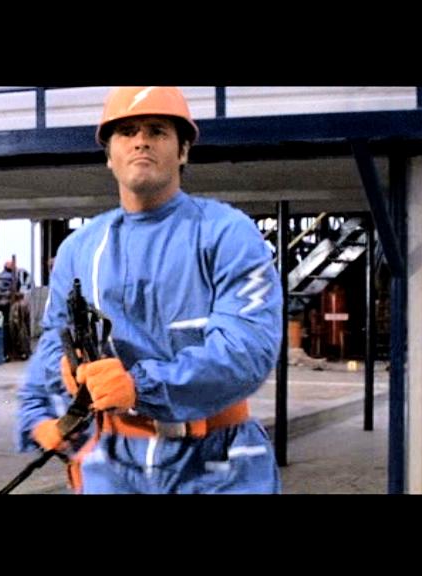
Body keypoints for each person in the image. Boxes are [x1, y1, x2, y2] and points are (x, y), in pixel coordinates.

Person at [15, 87, 283, 494]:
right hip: (113, 463)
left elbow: (248, 349)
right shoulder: (80, 248)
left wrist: (140, 387)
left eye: (157, 131)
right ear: (109, 155)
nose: (141, 141)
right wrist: (44, 407)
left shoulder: (227, 233)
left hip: (217, 463)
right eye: (127, 132)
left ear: (183, 151)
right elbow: (55, 337)